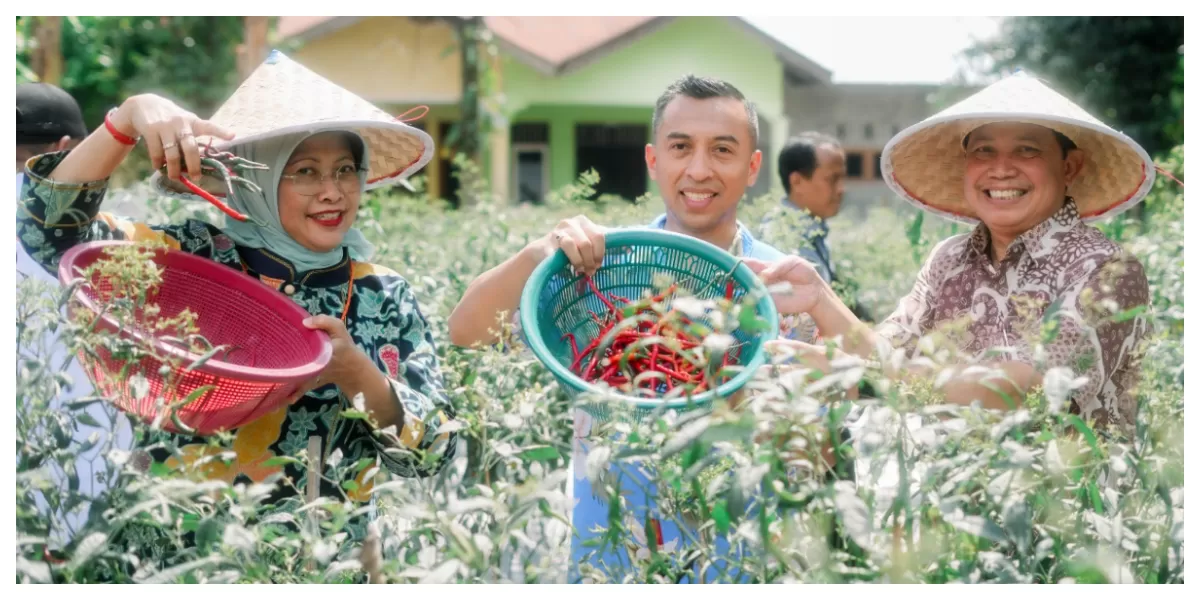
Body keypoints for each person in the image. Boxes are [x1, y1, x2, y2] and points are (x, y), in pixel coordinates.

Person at [16, 52, 458, 530]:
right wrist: (127, 118)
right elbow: (49, 233)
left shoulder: (381, 294)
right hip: (174, 556)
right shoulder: (187, 260)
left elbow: (430, 455)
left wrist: (356, 374)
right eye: (306, 171)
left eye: (346, 169)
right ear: (257, 179)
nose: (333, 192)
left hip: (317, 564)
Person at [760, 71, 1154, 433]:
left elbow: (1029, 388)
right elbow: (886, 352)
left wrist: (864, 377)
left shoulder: (1106, 270)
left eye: (1026, 150)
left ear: (1069, 167)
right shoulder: (949, 260)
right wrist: (819, 296)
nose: (1000, 169)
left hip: (1064, 505)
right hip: (945, 501)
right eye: (983, 151)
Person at [448, 74, 803, 348]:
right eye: (680, 146)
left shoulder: (783, 284)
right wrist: (538, 254)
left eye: (722, 150)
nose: (698, 170)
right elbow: (465, 332)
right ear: (653, 160)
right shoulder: (604, 266)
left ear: (753, 167)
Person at [759, 131, 874, 323]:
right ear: (797, 182)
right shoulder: (782, 237)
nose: (841, 189)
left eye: (842, 178)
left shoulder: (813, 229)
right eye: (831, 179)